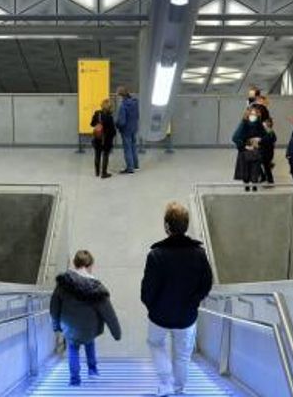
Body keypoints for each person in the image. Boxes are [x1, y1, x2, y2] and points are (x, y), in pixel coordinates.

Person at [141, 202, 213, 397]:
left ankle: (165, 383)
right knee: (182, 355)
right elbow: (207, 283)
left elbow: (147, 289)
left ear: (167, 226)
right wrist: (194, 302)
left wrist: (152, 306)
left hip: (159, 316)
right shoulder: (199, 254)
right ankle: (179, 389)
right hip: (186, 316)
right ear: (186, 225)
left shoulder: (156, 255)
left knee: (155, 343)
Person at [50, 249, 122, 387]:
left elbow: (54, 306)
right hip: (90, 328)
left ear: (75, 263)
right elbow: (109, 313)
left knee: (73, 349)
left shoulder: (63, 284)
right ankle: (92, 370)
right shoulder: (97, 287)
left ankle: (74, 380)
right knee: (90, 342)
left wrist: (56, 325)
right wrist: (116, 333)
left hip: (70, 327)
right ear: (90, 265)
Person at [115, 86, 140, 174]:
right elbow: (137, 115)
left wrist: (116, 124)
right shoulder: (135, 102)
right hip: (134, 127)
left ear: (121, 95)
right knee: (133, 146)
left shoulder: (123, 106)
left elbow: (122, 121)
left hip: (126, 130)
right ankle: (136, 165)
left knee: (127, 148)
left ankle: (130, 168)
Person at [90, 99, 116, 179]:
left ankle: (97, 172)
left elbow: (92, 124)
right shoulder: (109, 117)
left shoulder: (97, 113)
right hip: (107, 140)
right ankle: (104, 173)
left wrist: (98, 124)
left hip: (97, 138)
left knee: (97, 155)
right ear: (110, 108)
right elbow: (112, 131)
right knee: (105, 155)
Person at [260, 117, 278, 185]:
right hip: (263, 151)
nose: (264, 124)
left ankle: (269, 180)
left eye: (265, 122)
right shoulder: (265, 131)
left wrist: (261, 140)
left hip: (267, 152)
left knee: (266, 166)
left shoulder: (270, 132)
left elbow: (272, 140)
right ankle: (264, 177)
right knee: (264, 165)